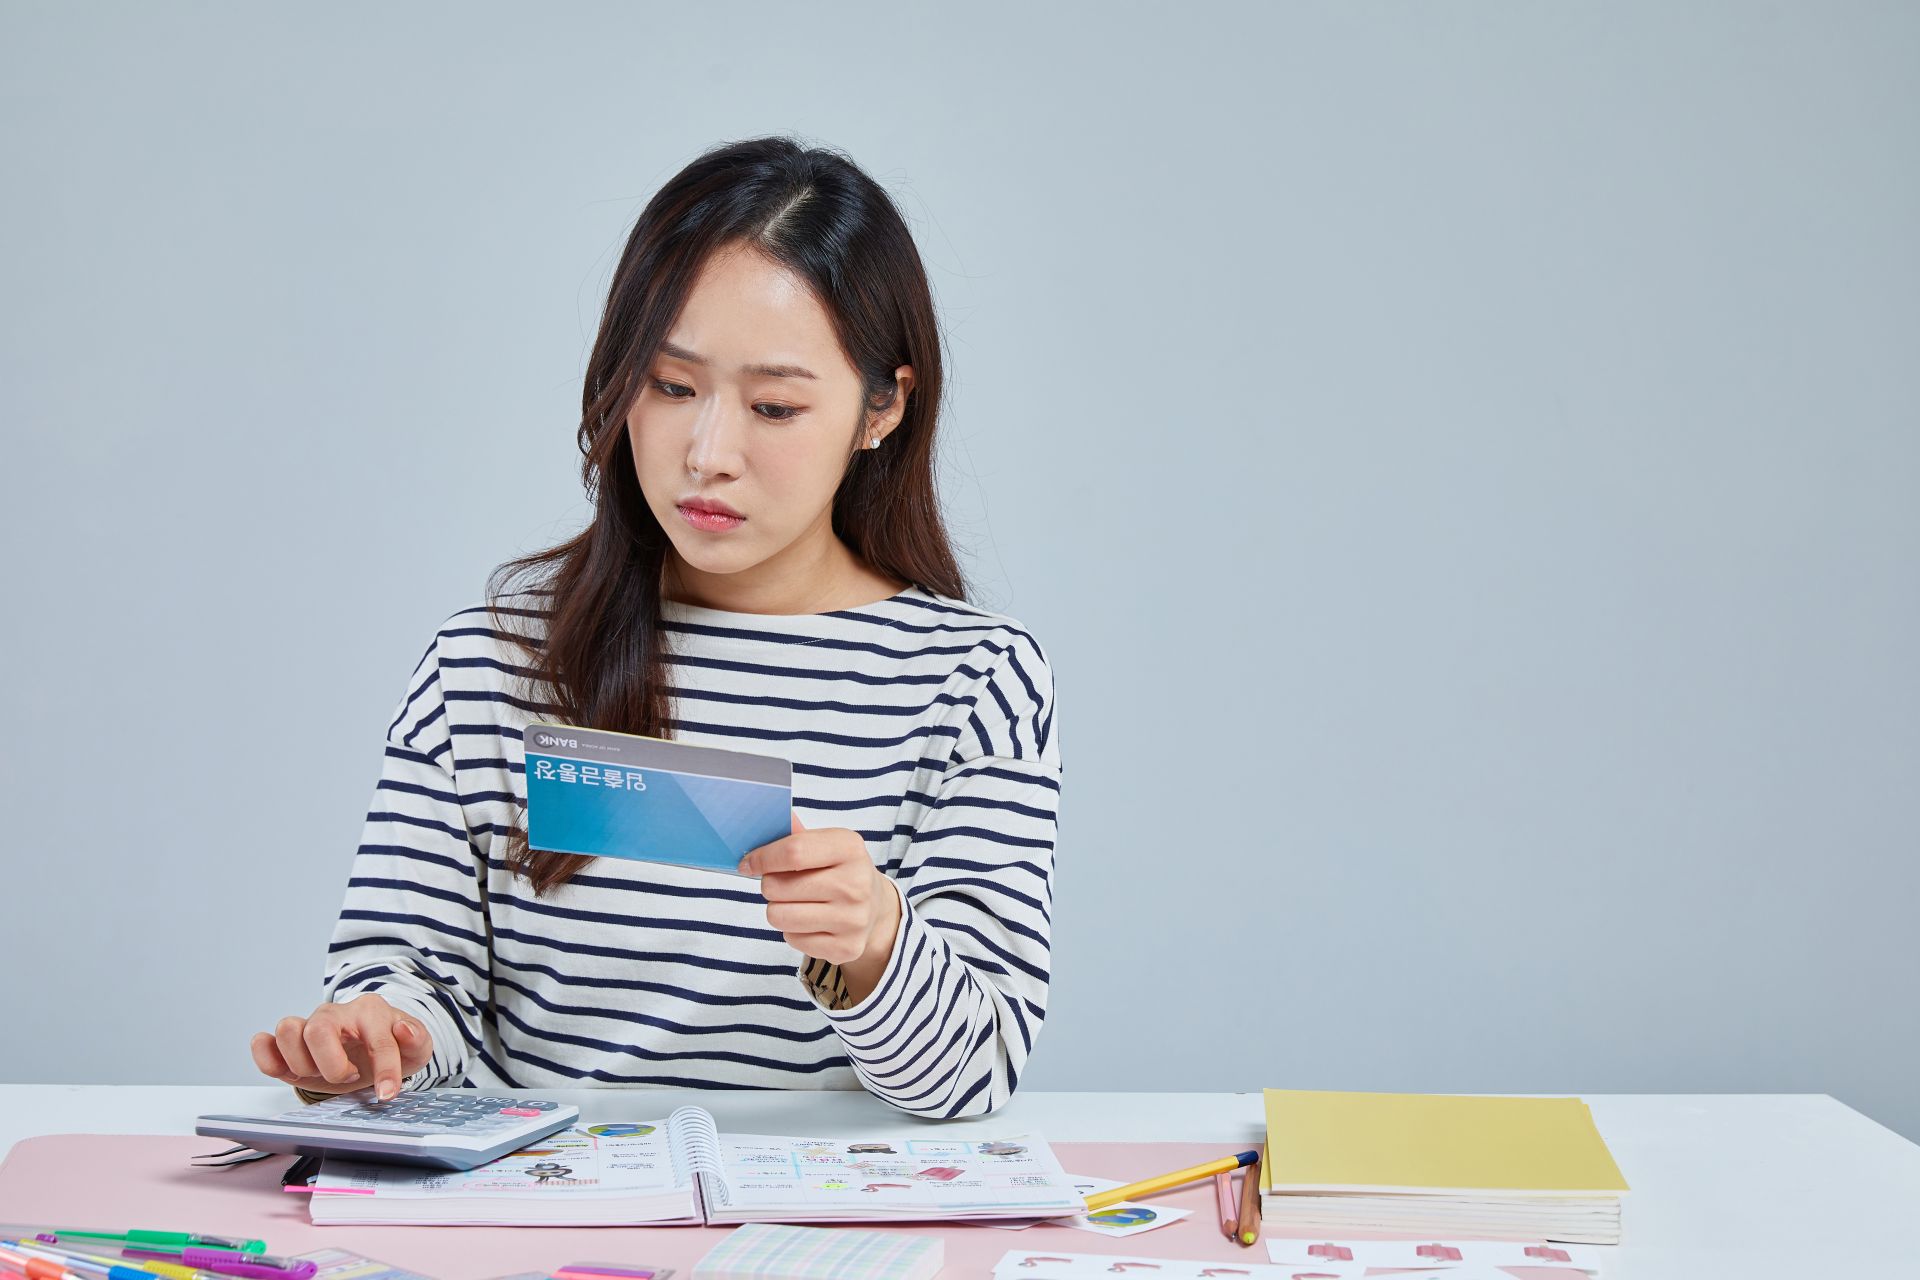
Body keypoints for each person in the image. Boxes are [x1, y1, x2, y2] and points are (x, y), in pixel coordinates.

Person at [247, 136, 1062, 1120]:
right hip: (541, 1220)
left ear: (881, 408)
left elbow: (974, 1078)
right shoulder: (484, 665)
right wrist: (381, 1035)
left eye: (774, 405)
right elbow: (413, 984)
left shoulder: (974, 681)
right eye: (671, 387)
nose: (708, 452)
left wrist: (879, 942)